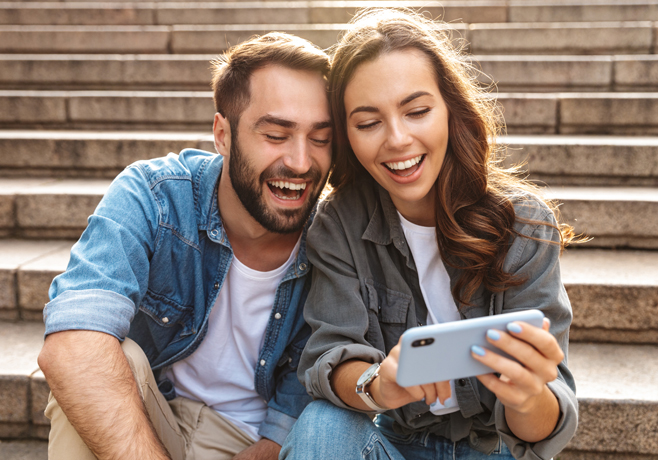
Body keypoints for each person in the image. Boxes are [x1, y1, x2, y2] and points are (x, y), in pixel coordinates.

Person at [280, 9, 578, 460]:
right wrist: (381, 384)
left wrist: (526, 396)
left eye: (417, 111)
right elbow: (330, 355)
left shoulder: (522, 222)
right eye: (368, 123)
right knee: (323, 424)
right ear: (345, 134)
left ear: (449, 109)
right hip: (394, 441)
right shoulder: (339, 222)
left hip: (492, 448)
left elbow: (544, 428)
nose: (398, 139)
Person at [37, 32, 333, 460]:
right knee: (104, 361)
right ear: (223, 134)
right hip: (149, 415)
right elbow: (71, 342)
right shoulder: (156, 195)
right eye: (275, 134)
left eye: (320, 138)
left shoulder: (334, 233)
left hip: (252, 442)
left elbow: (322, 367)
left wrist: (271, 444)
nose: (302, 162)